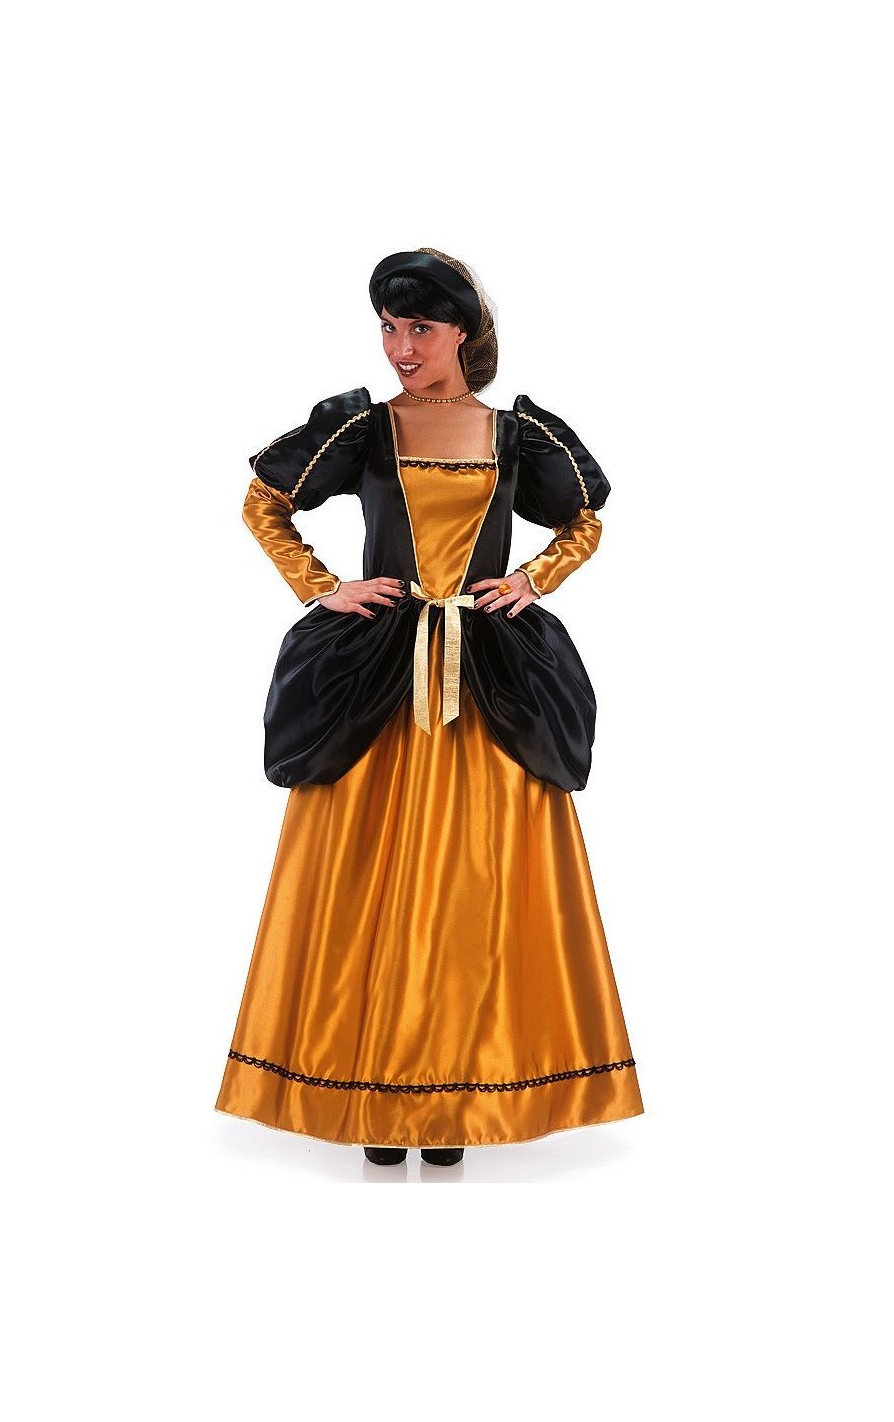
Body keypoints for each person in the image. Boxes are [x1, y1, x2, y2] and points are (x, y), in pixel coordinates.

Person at [214, 247, 643, 1171]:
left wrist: (533, 578)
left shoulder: (514, 434)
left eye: (420, 327)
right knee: (360, 877)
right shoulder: (363, 430)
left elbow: (585, 519)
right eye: (389, 327)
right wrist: (322, 587)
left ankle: (454, 1099)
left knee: (474, 887)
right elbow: (264, 502)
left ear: (462, 333)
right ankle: (371, 1091)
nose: (401, 347)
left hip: (487, 678)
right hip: (376, 679)